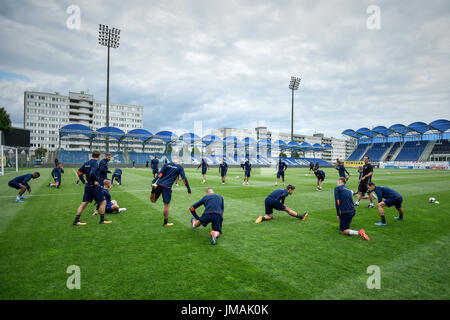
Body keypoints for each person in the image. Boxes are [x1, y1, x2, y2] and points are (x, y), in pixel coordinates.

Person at [72, 150, 111, 226]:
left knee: (83, 204)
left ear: (92, 155)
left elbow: (79, 172)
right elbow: (92, 173)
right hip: (94, 187)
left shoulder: (86, 163)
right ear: (99, 156)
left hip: (87, 186)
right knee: (103, 202)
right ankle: (102, 220)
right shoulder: (95, 164)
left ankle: (76, 221)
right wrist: (93, 182)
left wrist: (83, 181)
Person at [150, 158, 191, 226]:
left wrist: (154, 181)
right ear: (179, 161)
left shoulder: (167, 165)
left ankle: (153, 190)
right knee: (166, 205)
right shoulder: (179, 167)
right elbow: (184, 178)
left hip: (159, 184)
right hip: (167, 187)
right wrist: (188, 189)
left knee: (153, 200)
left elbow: (160, 174)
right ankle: (165, 223)